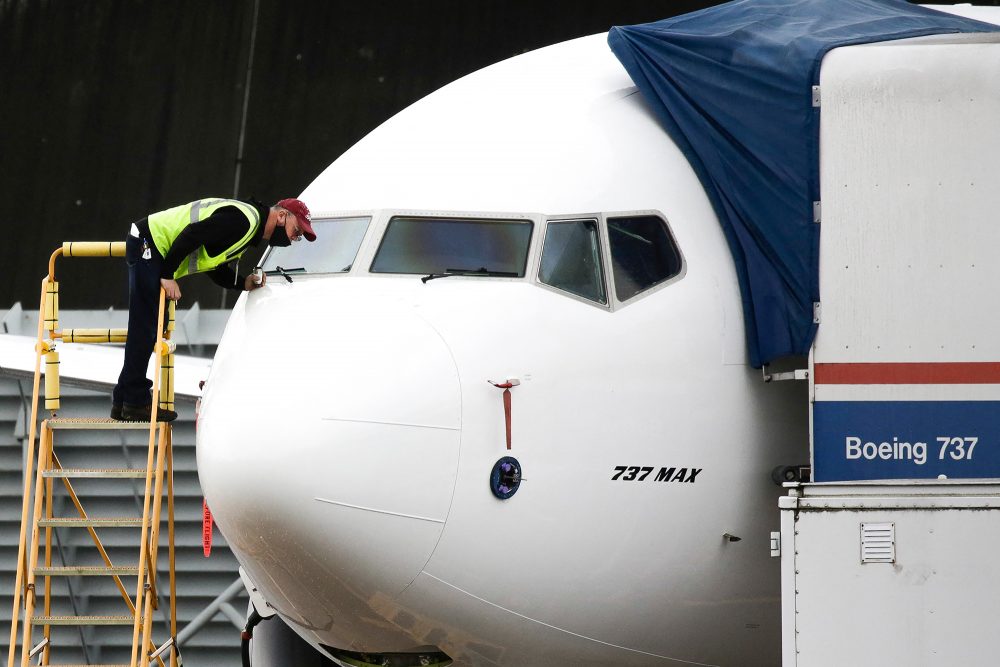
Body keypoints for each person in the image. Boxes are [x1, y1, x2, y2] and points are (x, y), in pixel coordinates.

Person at [111, 197, 316, 421]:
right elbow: (192, 234)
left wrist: (242, 283)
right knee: (146, 327)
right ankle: (134, 401)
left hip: (151, 244)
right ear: (281, 216)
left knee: (149, 327)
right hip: (149, 243)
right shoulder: (243, 221)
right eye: (296, 231)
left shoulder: (249, 229)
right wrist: (167, 275)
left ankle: (124, 401)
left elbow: (214, 265)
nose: (294, 238)